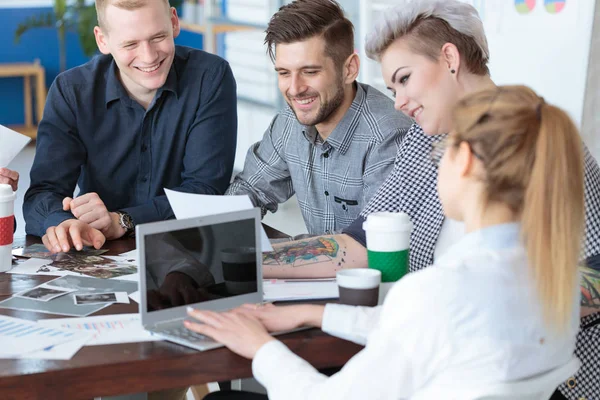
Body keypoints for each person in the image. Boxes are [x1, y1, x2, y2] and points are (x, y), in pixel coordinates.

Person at [258, 1, 600, 398]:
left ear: (450, 59)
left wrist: (464, 314)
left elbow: (594, 271)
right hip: (446, 361)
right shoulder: (424, 140)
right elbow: (363, 242)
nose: (399, 102)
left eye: (404, 79)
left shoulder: (537, 138)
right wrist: (256, 261)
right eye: (391, 88)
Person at [186, 85, 585, 399]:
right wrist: (313, 314)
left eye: (440, 152)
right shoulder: (557, 281)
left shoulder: (439, 290)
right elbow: (428, 331)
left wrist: (260, 348)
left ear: (463, 161)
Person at [23, 0, 237, 254]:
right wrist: (63, 223)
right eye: (130, 44)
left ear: (174, 22)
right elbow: (43, 193)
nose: (149, 57)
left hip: (188, 247)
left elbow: (205, 191)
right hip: (99, 249)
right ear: (102, 40)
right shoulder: (71, 92)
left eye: (158, 37)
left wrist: (123, 220)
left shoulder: (210, 77)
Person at [225, 0, 412, 235]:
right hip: (320, 269)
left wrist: (282, 254)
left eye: (310, 72)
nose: (294, 89)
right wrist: (217, 232)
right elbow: (250, 189)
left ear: (349, 69)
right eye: (284, 73)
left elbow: (373, 244)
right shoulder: (288, 123)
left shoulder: (388, 137)